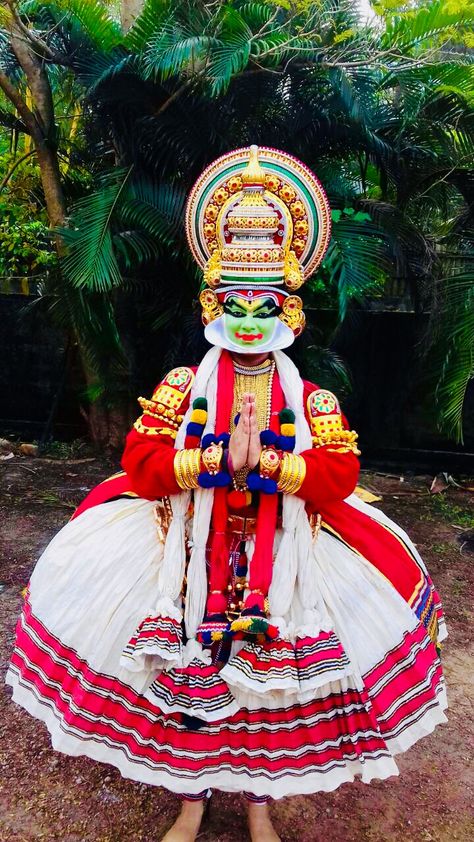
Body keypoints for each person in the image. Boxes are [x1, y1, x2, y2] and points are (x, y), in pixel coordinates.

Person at [6, 146, 447, 842]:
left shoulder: (314, 398)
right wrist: (210, 461)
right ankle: (190, 802)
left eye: (263, 304)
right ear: (212, 303)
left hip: (283, 560)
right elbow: (143, 463)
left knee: (262, 697)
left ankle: (259, 806)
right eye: (233, 303)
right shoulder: (184, 388)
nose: (247, 318)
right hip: (182, 554)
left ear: (289, 313)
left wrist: (272, 468)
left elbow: (339, 479)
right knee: (190, 679)